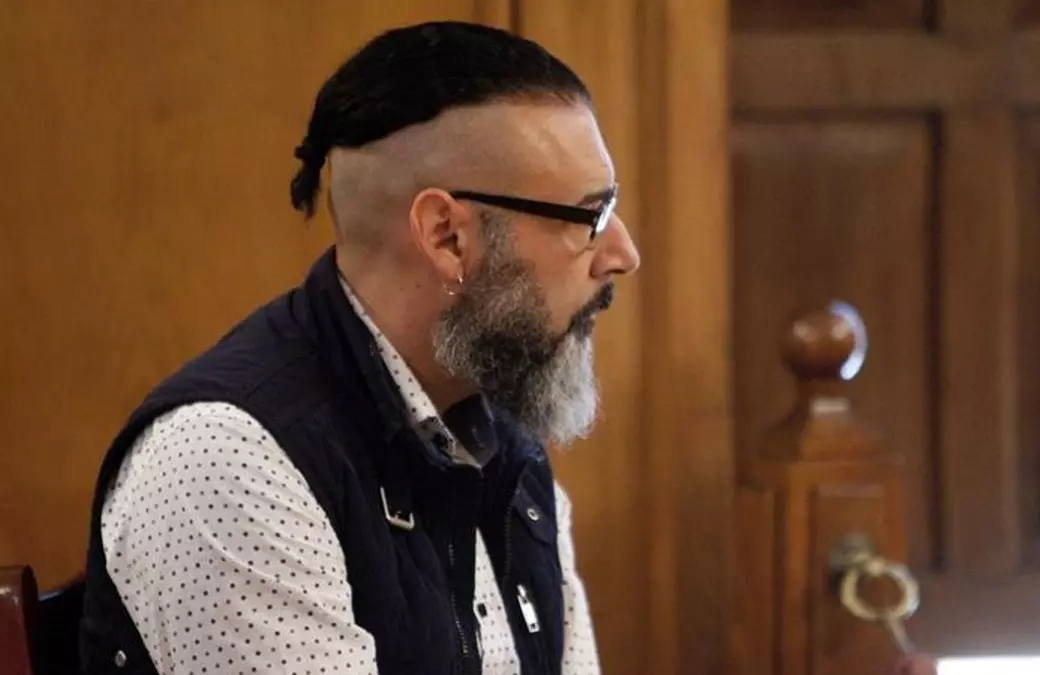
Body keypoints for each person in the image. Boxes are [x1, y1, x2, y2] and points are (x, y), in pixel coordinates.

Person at [78, 21, 638, 675]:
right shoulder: (228, 458)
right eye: (590, 216)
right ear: (446, 235)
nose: (623, 253)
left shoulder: (498, 427)